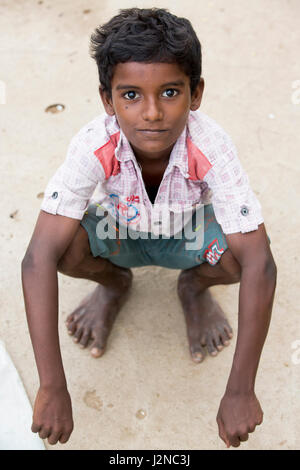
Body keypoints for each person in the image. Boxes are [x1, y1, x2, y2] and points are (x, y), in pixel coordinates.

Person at [21, 7, 277, 448]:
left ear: (196, 94)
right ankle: (114, 284)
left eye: (171, 91)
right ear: (108, 100)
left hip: (189, 234)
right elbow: (36, 258)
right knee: (62, 248)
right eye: (132, 95)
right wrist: (52, 386)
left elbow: (262, 263)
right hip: (122, 232)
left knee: (242, 254)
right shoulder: (94, 144)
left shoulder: (210, 144)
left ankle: (194, 287)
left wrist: (240, 389)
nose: (153, 113)